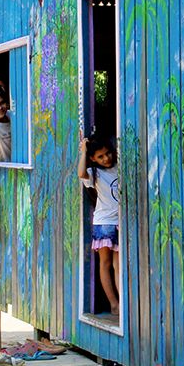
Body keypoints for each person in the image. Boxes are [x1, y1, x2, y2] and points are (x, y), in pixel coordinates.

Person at [78, 134, 122, 315]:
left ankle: (122, 302)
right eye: (101, 157)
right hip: (104, 223)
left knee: (117, 265)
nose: (106, 158)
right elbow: (80, 173)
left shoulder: (119, 168)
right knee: (105, 263)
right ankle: (113, 303)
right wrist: (83, 152)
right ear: (93, 159)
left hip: (120, 221)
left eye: (108, 154)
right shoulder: (95, 174)